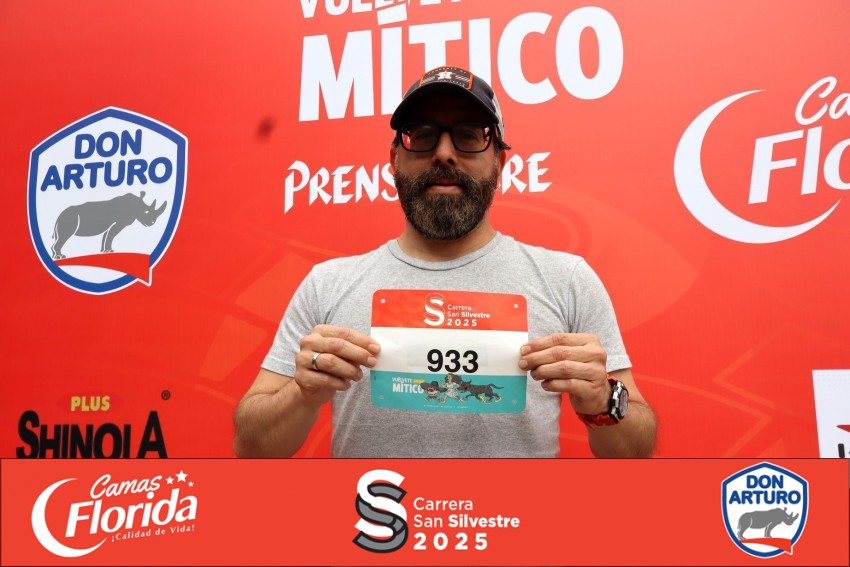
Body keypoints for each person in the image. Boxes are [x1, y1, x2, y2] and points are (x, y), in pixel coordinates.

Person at [233, 66, 656, 458]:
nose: (444, 153)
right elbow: (251, 447)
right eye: (421, 135)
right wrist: (302, 394)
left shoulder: (566, 280)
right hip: (379, 515)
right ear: (394, 160)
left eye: (469, 135)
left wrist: (604, 400)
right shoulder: (327, 285)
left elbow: (636, 451)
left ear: (500, 162)